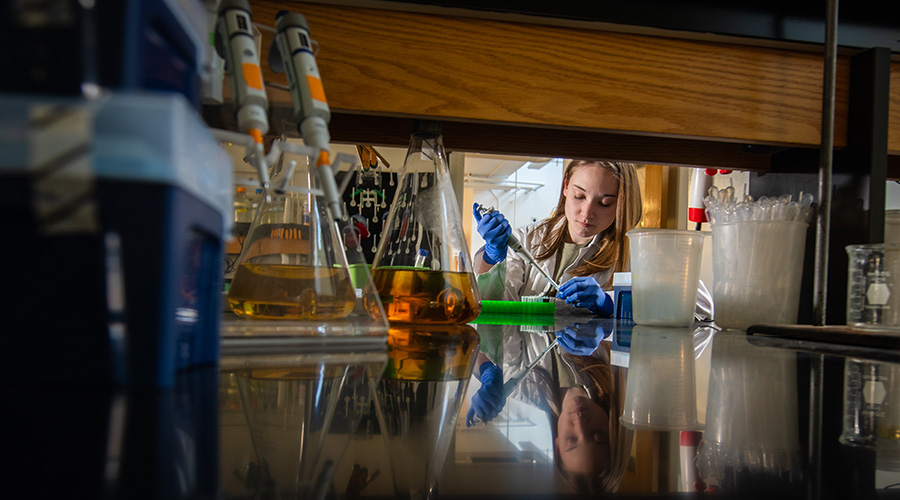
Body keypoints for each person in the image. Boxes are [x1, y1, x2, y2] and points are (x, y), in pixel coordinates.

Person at [473, 159, 713, 319]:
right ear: (566, 186)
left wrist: (613, 304)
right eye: (579, 196)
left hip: (598, 375)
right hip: (539, 381)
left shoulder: (639, 250)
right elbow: (485, 309)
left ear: (622, 203)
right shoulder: (526, 239)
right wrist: (491, 257)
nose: (587, 214)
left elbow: (702, 307)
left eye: (605, 202)